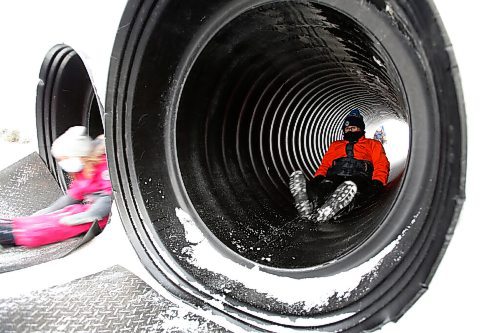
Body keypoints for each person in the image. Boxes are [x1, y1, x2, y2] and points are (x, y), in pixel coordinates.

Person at [0, 126, 112, 248]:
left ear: (78, 156)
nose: (61, 163)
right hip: (88, 210)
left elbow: (108, 197)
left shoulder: (103, 167)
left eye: (63, 159)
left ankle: (13, 235)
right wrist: (45, 212)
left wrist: (89, 215)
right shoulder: (83, 170)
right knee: (64, 213)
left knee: (59, 226)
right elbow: (71, 197)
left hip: (101, 215)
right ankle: (13, 226)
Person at [289, 109, 390, 222]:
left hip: (359, 176)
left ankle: (334, 210)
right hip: (336, 174)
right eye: (347, 129)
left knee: (354, 190)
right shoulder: (336, 145)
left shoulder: (373, 144)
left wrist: (378, 182)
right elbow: (325, 164)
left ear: (361, 128)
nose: (350, 131)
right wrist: (318, 177)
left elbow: (381, 164)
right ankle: (309, 203)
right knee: (326, 185)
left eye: (353, 128)